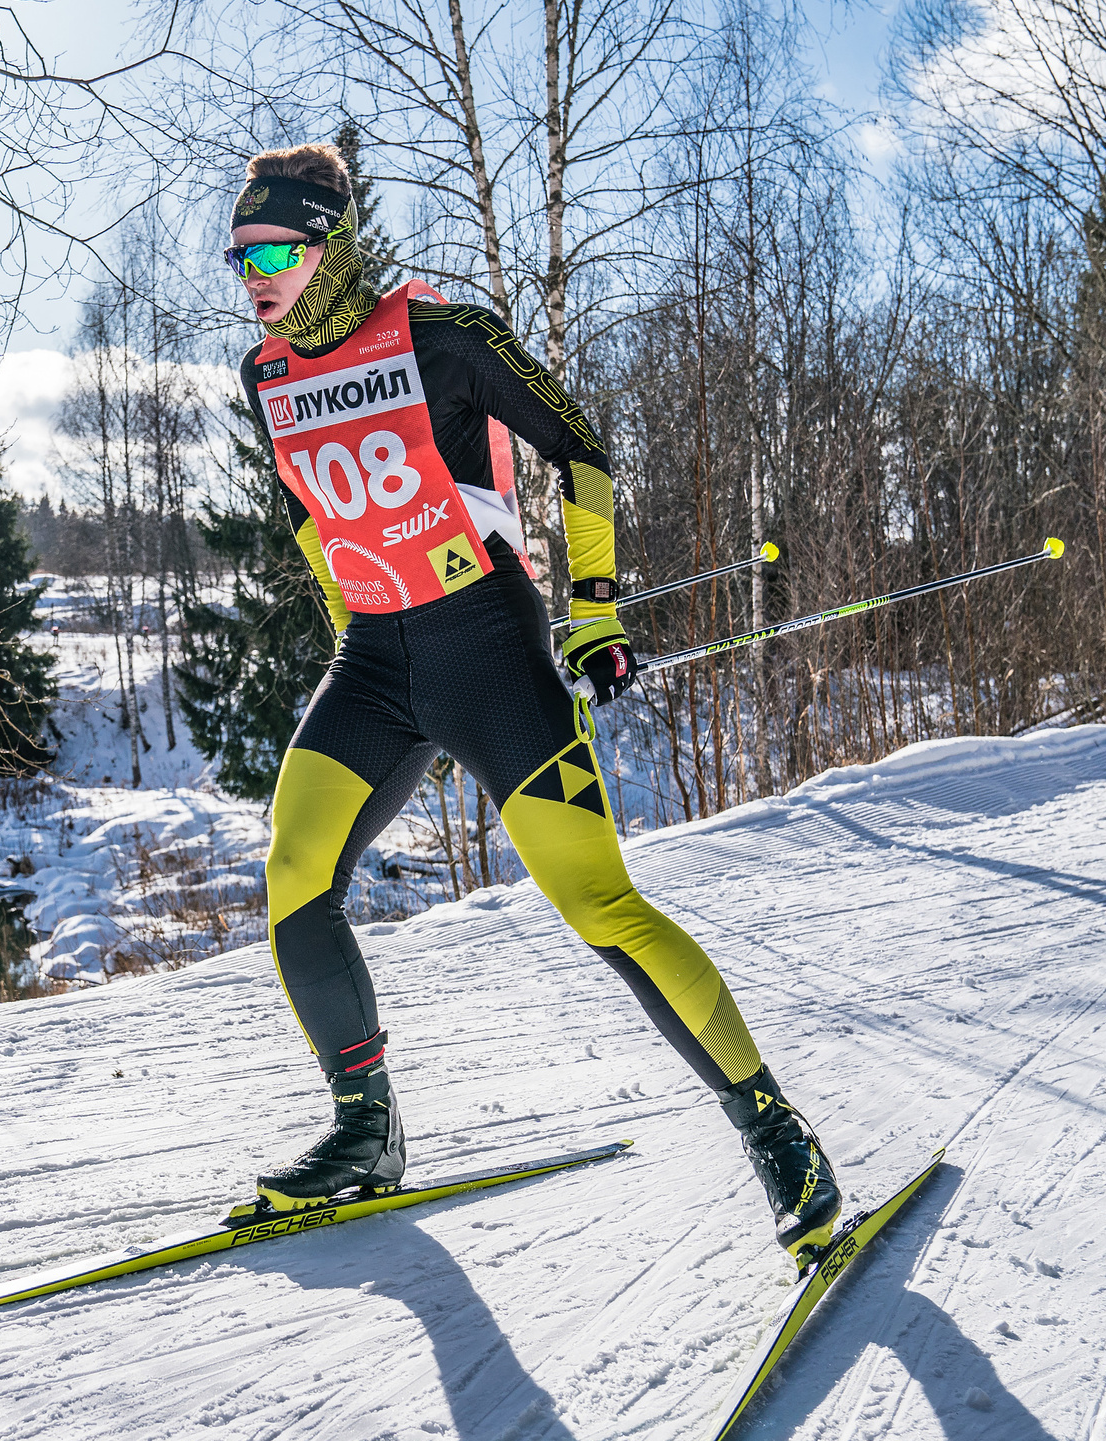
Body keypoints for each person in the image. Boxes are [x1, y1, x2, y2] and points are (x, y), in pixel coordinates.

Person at [230, 142, 841, 1266]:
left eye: (273, 251)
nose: (252, 275)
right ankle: (366, 1131)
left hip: (486, 652)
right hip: (374, 660)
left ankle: (774, 1129)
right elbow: (314, 521)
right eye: (240, 257)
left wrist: (595, 608)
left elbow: (583, 451)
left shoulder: (447, 338)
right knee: (293, 877)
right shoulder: (263, 380)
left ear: (333, 245)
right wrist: (348, 620)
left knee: (598, 902)